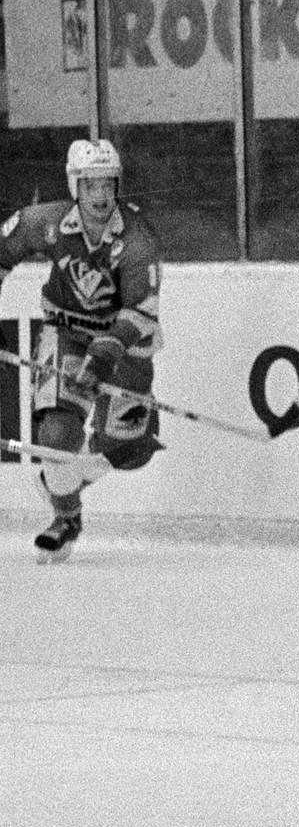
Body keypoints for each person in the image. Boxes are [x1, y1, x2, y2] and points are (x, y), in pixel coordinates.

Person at [0, 138, 165, 563]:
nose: (100, 195)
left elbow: (141, 313)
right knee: (56, 438)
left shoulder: (137, 237)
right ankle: (66, 515)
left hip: (126, 347)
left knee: (131, 449)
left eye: (108, 184)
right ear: (75, 185)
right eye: (90, 185)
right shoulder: (47, 222)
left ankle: (65, 477)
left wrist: (102, 357)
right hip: (67, 334)